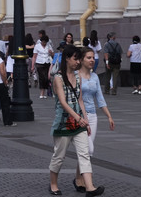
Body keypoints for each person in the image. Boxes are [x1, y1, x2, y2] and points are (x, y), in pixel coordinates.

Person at [48, 44, 104, 197]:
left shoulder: (78, 76)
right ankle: (53, 184)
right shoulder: (58, 78)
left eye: (79, 59)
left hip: (78, 124)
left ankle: (90, 187)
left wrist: (85, 120)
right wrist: (78, 118)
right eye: (75, 59)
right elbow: (63, 102)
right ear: (67, 59)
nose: (78, 62)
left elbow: (80, 100)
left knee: (84, 154)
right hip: (63, 123)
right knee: (59, 157)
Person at [78, 47, 114, 179]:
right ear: (81, 60)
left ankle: (79, 180)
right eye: (89, 57)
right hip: (80, 117)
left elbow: (100, 98)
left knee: (86, 152)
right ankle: (87, 182)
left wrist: (109, 116)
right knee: (88, 149)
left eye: (93, 57)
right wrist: (81, 117)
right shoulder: (76, 76)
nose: (92, 60)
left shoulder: (95, 77)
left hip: (93, 117)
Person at [34, 34, 55, 99]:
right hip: (39, 62)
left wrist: (51, 53)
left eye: (45, 42)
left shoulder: (49, 46)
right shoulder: (37, 46)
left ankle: (45, 92)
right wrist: (33, 65)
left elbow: (53, 55)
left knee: (46, 77)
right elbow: (34, 56)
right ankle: (41, 92)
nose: (44, 43)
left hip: (47, 62)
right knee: (41, 77)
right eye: (43, 42)